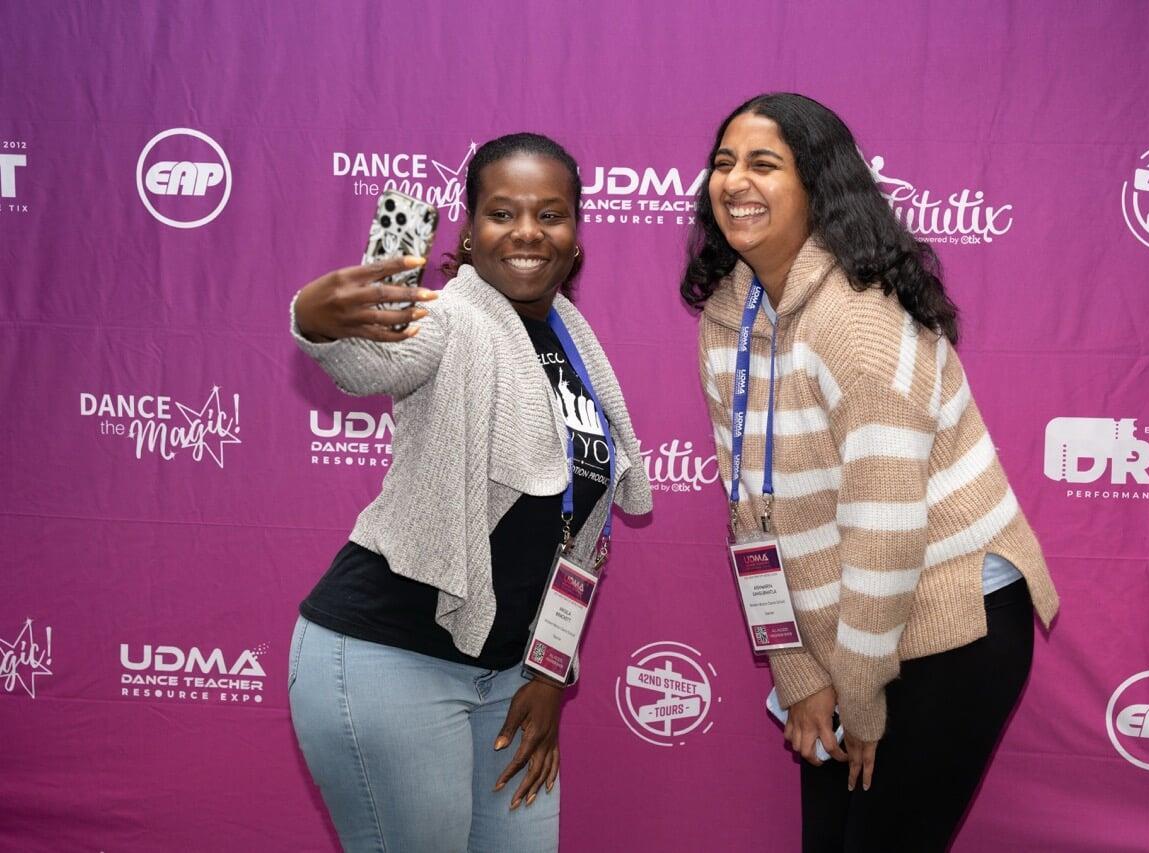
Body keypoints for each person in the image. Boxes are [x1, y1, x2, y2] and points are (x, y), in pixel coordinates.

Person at [682, 93, 1060, 852]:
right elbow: (749, 515)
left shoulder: (859, 317)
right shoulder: (731, 315)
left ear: (818, 185)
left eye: (763, 164)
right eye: (724, 163)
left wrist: (859, 700)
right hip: (846, 631)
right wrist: (798, 674)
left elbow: (885, 533)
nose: (734, 181)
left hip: (950, 622)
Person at [286, 132, 652, 853]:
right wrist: (318, 319)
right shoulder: (453, 318)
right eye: (502, 213)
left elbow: (575, 538)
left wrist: (548, 674)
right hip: (390, 655)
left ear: (576, 237)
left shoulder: (573, 343)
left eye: (550, 214)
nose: (527, 231)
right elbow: (377, 359)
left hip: (508, 677)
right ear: (470, 231)